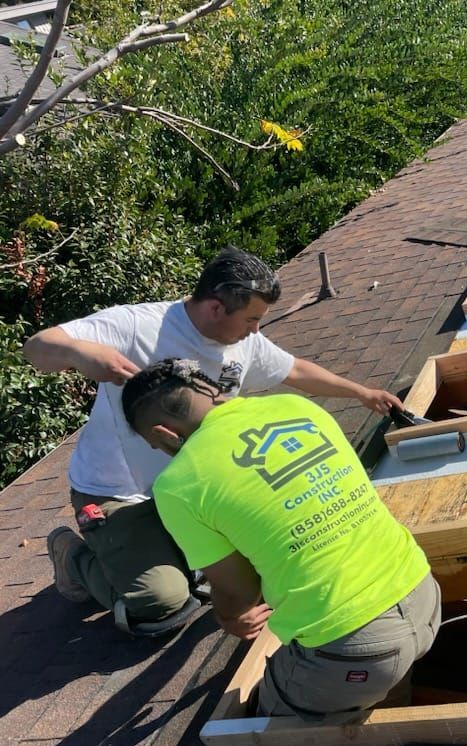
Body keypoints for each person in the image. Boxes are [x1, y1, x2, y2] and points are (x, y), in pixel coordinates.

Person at [25, 246, 404, 634]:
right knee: (161, 605)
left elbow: (295, 371)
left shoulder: (242, 342)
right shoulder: (137, 326)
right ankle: (74, 558)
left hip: (194, 493)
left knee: (267, 567)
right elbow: (36, 347)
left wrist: (361, 392)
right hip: (119, 492)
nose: (256, 330)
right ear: (216, 308)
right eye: (252, 318)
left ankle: (174, 553)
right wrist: (80, 351)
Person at [121, 358, 439, 719]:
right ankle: (385, 696)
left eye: (154, 444)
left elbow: (239, 591)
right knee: (384, 675)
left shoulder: (177, 484)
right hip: (423, 593)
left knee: (264, 718)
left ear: (164, 432)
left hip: (355, 647)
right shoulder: (295, 405)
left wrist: (229, 619)